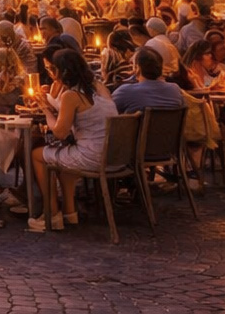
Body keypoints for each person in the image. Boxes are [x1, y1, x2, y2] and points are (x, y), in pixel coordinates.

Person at [28, 49, 117, 231]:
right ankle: (70, 213)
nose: (51, 74)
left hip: (93, 156)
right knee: (65, 160)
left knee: (37, 154)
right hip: (115, 155)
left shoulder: (72, 96)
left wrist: (45, 109)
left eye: (53, 70)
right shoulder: (99, 87)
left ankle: (52, 214)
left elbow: (60, 132)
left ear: (64, 72)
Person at [111, 48, 185, 114]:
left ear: (137, 68)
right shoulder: (175, 90)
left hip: (137, 129)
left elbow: (106, 109)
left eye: (132, 65)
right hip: (170, 129)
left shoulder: (126, 92)